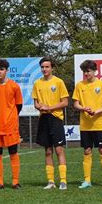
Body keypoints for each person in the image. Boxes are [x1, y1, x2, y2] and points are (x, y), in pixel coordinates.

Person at [73, 60, 102, 188]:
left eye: (88, 71)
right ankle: (87, 180)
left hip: (99, 124)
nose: (86, 74)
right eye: (84, 71)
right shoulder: (80, 85)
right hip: (85, 125)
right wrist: (83, 108)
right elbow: (75, 104)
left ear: (95, 71)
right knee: (87, 150)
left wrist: (96, 111)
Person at [0, 59, 23, 189]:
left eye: (1, 69)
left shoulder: (14, 86)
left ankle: (15, 182)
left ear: (7, 70)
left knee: (13, 152)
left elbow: (19, 106)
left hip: (10, 125)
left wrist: (9, 116)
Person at [32, 56, 69, 190]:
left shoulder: (59, 82)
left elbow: (65, 102)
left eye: (47, 67)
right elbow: (36, 102)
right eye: (42, 67)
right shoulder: (37, 83)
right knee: (47, 151)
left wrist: (50, 107)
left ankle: (63, 181)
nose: (44, 69)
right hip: (44, 119)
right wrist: (39, 106)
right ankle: (51, 181)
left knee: (59, 149)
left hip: (56, 118)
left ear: (52, 68)